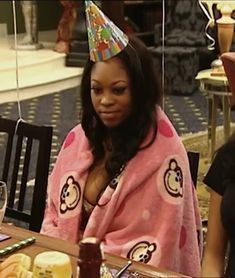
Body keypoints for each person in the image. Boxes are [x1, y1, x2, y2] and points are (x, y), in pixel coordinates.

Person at [41, 2, 202, 276]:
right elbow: (53, 216)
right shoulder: (78, 139)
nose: (105, 101)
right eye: (96, 89)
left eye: (118, 90)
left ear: (139, 90)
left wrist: (87, 265)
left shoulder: (164, 153)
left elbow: (154, 249)